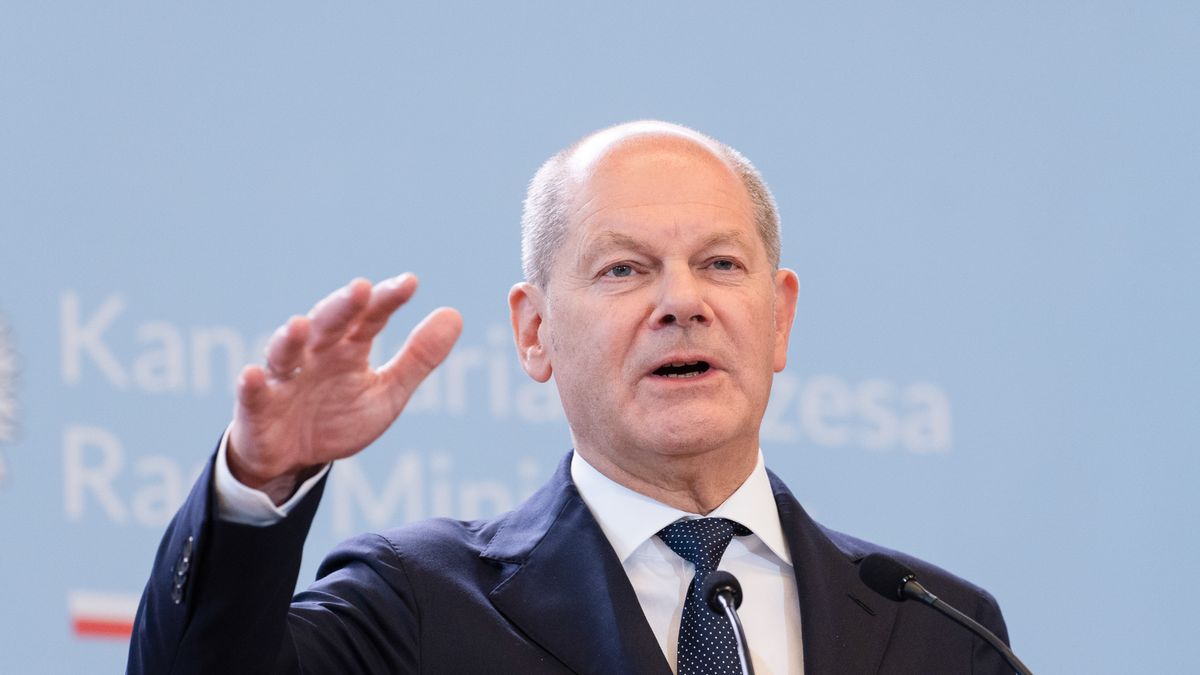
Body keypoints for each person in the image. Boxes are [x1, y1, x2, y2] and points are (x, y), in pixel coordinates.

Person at [128, 121, 1012, 674]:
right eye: (624, 269)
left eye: (720, 263)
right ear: (534, 331)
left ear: (778, 318)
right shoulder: (421, 605)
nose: (682, 301)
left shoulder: (940, 630)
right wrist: (257, 485)